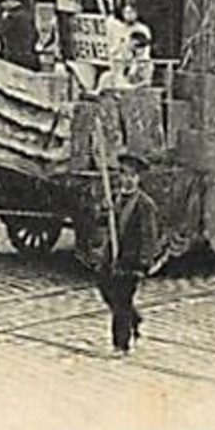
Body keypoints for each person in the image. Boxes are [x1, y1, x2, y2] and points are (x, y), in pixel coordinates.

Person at [91, 151, 160, 355]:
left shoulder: (145, 205)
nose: (128, 180)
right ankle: (134, 317)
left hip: (130, 261)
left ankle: (120, 345)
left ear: (138, 179)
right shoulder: (115, 199)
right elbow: (102, 222)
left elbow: (149, 237)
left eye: (132, 176)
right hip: (111, 258)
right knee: (105, 289)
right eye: (124, 175)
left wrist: (143, 264)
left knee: (121, 301)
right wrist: (103, 212)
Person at [0, 0, 40, 71]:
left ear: (11, 1)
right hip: (30, 59)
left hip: (16, 60)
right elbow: (36, 35)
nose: (2, 5)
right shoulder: (26, 16)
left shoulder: (12, 17)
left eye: (4, 2)